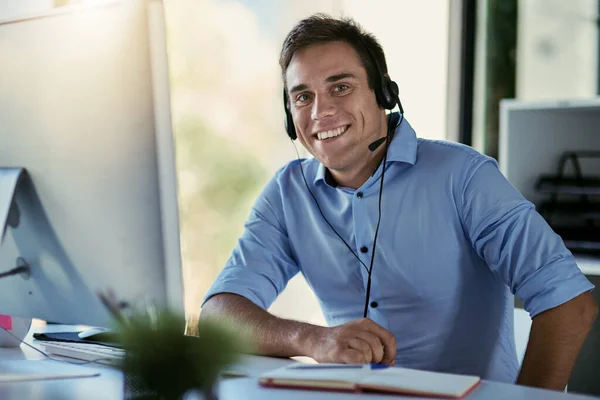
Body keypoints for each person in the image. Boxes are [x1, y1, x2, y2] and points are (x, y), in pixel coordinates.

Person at [200, 14, 597, 390]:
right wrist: (314, 340)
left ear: (384, 93)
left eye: (341, 87)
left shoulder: (464, 176)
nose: (321, 112)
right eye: (303, 96)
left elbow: (568, 301)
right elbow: (218, 316)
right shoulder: (288, 193)